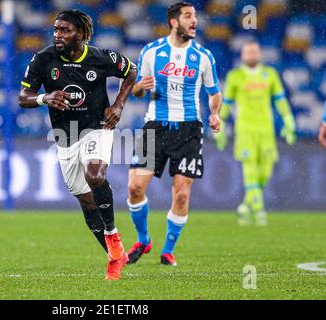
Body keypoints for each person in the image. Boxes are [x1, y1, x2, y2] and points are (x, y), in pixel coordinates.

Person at [18, 10, 137, 280]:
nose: (58, 35)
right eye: (56, 30)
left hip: (97, 127)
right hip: (65, 136)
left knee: (94, 175)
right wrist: (45, 98)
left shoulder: (99, 57)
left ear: (81, 34)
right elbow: (23, 96)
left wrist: (118, 106)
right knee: (85, 201)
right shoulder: (43, 59)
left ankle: (113, 236)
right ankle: (115, 255)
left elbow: (131, 71)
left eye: (65, 31)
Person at [126, 2, 222, 266]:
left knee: (181, 194)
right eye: (188, 16)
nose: (195, 21)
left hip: (189, 129)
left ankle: (168, 250)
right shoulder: (151, 52)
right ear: (173, 21)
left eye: (195, 16)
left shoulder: (203, 56)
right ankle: (143, 240)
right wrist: (139, 87)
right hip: (155, 126)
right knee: (134, 188)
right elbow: (136, 90)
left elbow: (215, 94)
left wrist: (214, 114)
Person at [214, 40, 296, 226]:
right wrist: (221, 123)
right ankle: (259, 210)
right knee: (249, 167)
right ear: (243, 55)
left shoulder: (270, 74)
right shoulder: (236, 76)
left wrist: (288, 119)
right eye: (248, 52)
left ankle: (246, 204)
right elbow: (227, 103)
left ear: (259, 54)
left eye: (254, 52)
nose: (251, 55)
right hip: (245, 129)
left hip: (266, 129)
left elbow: (280, 99)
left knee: (265, 171)